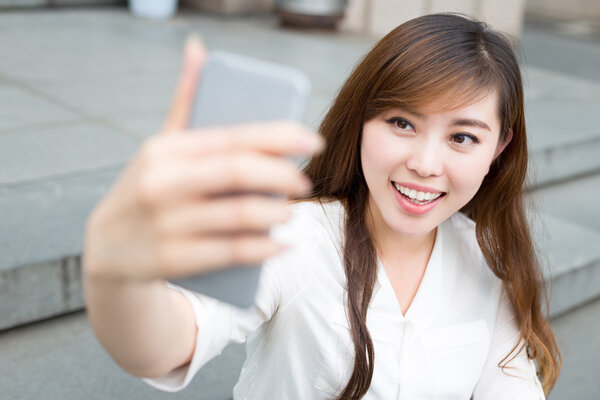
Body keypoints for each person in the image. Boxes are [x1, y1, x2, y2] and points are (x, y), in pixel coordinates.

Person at [83, 13, 561, 399]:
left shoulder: (489, 263)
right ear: (361, 121)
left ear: (499, 148)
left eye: (462, 137)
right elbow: (166, 343)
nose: (425, 164)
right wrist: (116, 269)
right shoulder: (292, 235)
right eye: (401, 122)